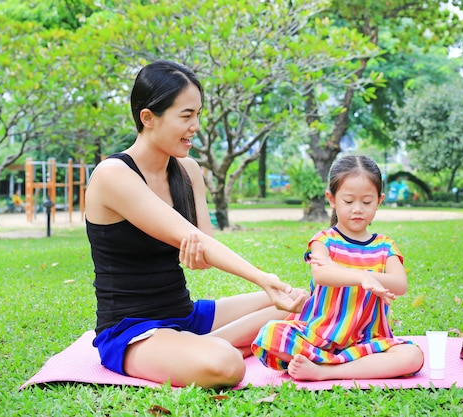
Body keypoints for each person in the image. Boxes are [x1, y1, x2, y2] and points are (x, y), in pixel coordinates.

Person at [84, 60, 307, 389]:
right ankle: (208, 348)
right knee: (226, 364)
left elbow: (203, 248)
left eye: (198, 115)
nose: (196, 126)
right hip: (133, 330)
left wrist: (201, 255)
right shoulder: (113, 175)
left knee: (305, 303)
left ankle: (200, 343)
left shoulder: (188, 171)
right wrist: (262, 278)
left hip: (186, 315)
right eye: (186, 116)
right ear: (148, 118)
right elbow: (191, 236)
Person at [251, 155, 424, 381]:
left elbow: (400, 284)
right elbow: (322, 274)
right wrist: (363, 278)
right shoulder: (324, 240)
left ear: (379, 200)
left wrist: (364, 276)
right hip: (319, 337)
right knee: (271, 333)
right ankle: (347, 364)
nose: (358, 209)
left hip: (369, 342)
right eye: (349, 201)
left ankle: (326, 371)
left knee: (412, 356)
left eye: (367, 202)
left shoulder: (385, 245)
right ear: (331, 199)